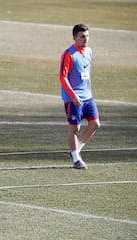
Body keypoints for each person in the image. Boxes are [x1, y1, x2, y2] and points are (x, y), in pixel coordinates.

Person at [59, 24, 101, 169]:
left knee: (95, 124)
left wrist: (90, 91)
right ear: (74, 37)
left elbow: (87, 74)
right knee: (74, 129)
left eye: (87, 36)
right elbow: (62, 77)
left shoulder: (89, 51)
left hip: (87, 96)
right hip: (73, 98)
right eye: (82, 36)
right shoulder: (68, 54)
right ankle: (76, 159)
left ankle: (77, 150)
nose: (86, 39)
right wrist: (73, 96)